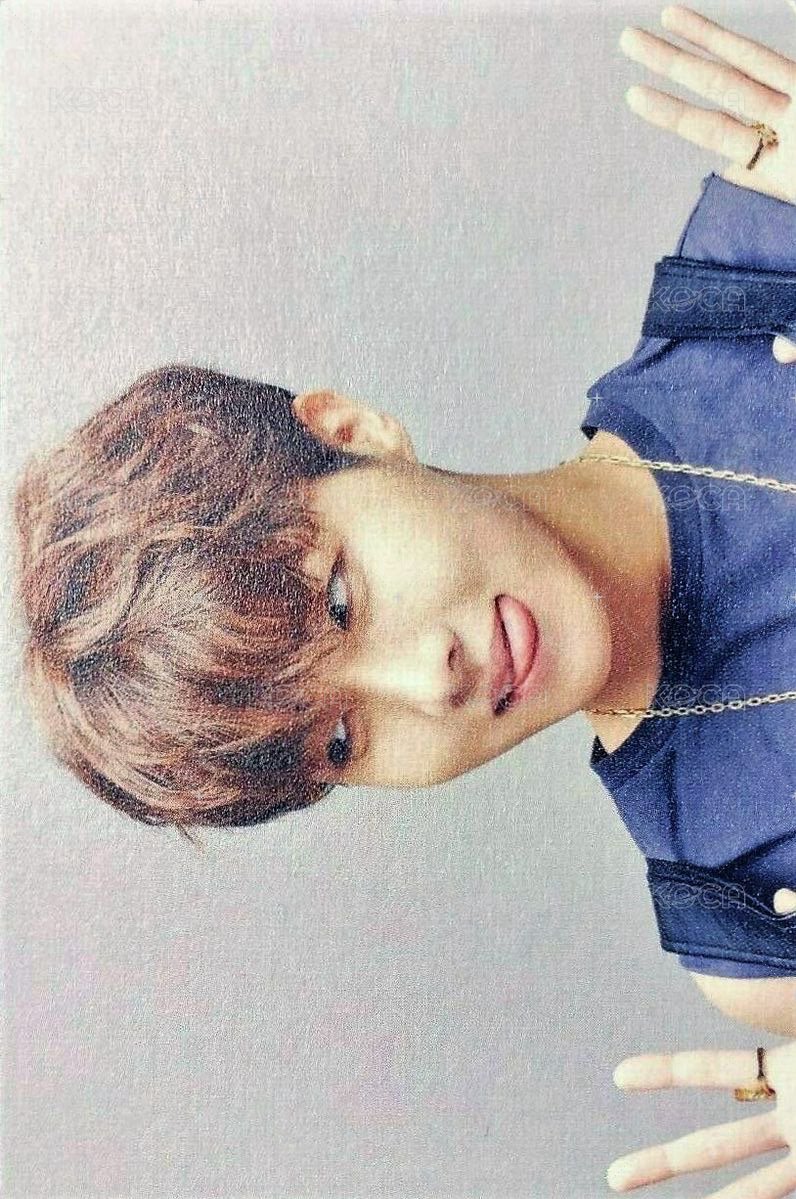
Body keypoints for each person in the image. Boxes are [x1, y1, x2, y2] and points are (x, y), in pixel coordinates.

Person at [9, 4, 796, 1193]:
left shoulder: (758, 253)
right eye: (340, 738)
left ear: (354, 432)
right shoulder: (744, 911)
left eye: (338, 600)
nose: (427, 680)